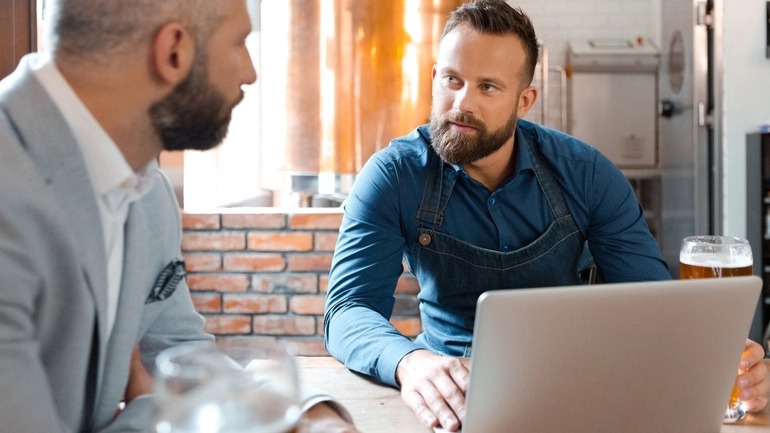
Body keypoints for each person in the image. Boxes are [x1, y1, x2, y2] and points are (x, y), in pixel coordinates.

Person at [324, 0, 769, 431]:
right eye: (452, 80)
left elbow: (655, 307)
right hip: (449, 397)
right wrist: (410, 363)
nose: (462, 102)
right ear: (434, 76)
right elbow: (347, 310)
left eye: (488, 87)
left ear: (525, 100)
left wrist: (724, 363)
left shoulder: (586, 174)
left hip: (577, 392)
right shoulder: (392, 175)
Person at [0, 0, 357, 432]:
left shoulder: (147, 192)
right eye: (239, 42)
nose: (250, 72)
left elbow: (182, 355)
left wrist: (302, 413)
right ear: (173, 51)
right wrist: (149, 409)